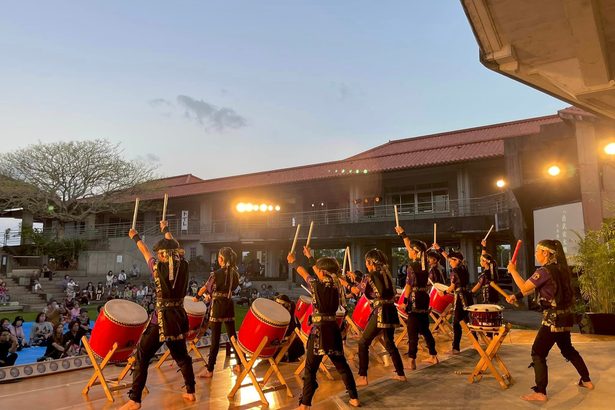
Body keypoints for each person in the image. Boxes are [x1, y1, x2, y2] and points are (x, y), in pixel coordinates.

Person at [506, 239, 594, 402]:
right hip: (565, 317)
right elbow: (535, 288)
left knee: (538, 352)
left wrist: (512, 271)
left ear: (545, 253)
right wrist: (516, 296)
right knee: (567, 349)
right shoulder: (562, 269)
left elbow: (526, 286)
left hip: (552, 319)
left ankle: (540, 392)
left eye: (537, 251)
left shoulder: (545, 270)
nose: (535, 254)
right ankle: (586, 380)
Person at [121, 220, 196, 410]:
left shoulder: (157, 267)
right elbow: (175, 246)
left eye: (158, 253)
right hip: (179, 318)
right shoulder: (185, 266)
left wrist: (135, 236)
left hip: (161, 319)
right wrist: (166, 230)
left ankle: (135, 399)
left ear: (162, 254)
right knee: (182, 357)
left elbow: (144, 250)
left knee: (142, 355)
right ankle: (190, 391)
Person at [288, 248, 359, 408]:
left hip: (319, 332)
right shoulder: (337, 285)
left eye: (319, 270)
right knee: (342, 366)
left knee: (310, 370)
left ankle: (305, 404)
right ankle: (354, 398)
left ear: (323, 272)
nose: (317, 272)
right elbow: (319, 271)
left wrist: (293, 262)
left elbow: (303, 272)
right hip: (333, 330)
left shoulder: (316, 285)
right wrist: (310, 257)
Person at [346, 249, 406, 386]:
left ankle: (362, 376)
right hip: (391, 310)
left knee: (363, 342)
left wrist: (346, 283)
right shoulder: (387, 274)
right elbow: (372, 286)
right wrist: (356, 279)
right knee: (390, 343)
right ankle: (401, 374)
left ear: (371, 262)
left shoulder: (370, 275)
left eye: (367, 262)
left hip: (380, 312)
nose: (366, 265)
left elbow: (357, 290)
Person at [395, 226, 438, 369]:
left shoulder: (412, 265)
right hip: (424, 297)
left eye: (410, 250)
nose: (408, 250)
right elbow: (411, 246)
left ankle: (412, 360)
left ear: (415, 252)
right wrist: (403, 234)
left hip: (414, 298)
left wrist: (404, 301)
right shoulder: (425, 264)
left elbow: (408, 285)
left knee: (412, 330)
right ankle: (433, 355)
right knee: (425, 329)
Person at [195, 247, 240, 378]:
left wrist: (197, 297)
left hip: (218, 306)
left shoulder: (216, 273)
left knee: (215, 339)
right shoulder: (235, 274)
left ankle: (209, 369)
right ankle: (239, 364)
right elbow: (234, 287)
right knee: (232, 336)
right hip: (229, 304)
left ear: (221, 259)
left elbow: (206, 287)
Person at [432, 243, 473, 354]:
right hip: (467, 296)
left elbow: (452, 287)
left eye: (451, 261)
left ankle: (455, 348)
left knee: (456, 323)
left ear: (456, 260)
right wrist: (439, 249)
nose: (449, 263)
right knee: (467, 321)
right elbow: (448, 257)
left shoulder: (455, 271)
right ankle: (476, 341)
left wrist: (444, 292)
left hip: (460, 298)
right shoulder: (464, 267)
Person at [274, 294, 305, 362]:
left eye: (281, 304)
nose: (278, 306)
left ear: (287, 305)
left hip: (286, 344)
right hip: (286, 343)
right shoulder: (288, 316)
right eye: (277, 303)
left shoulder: (289, 317)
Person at [471, 240, 500, 304]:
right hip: (494, 298)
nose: (480, 262)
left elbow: (478, 285)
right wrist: (484, 246)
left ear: (485, 261)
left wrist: (470, 293)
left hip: (488, 299)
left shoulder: (486, 274)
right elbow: (484, 256)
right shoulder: (491, 269)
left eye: (481, 260)